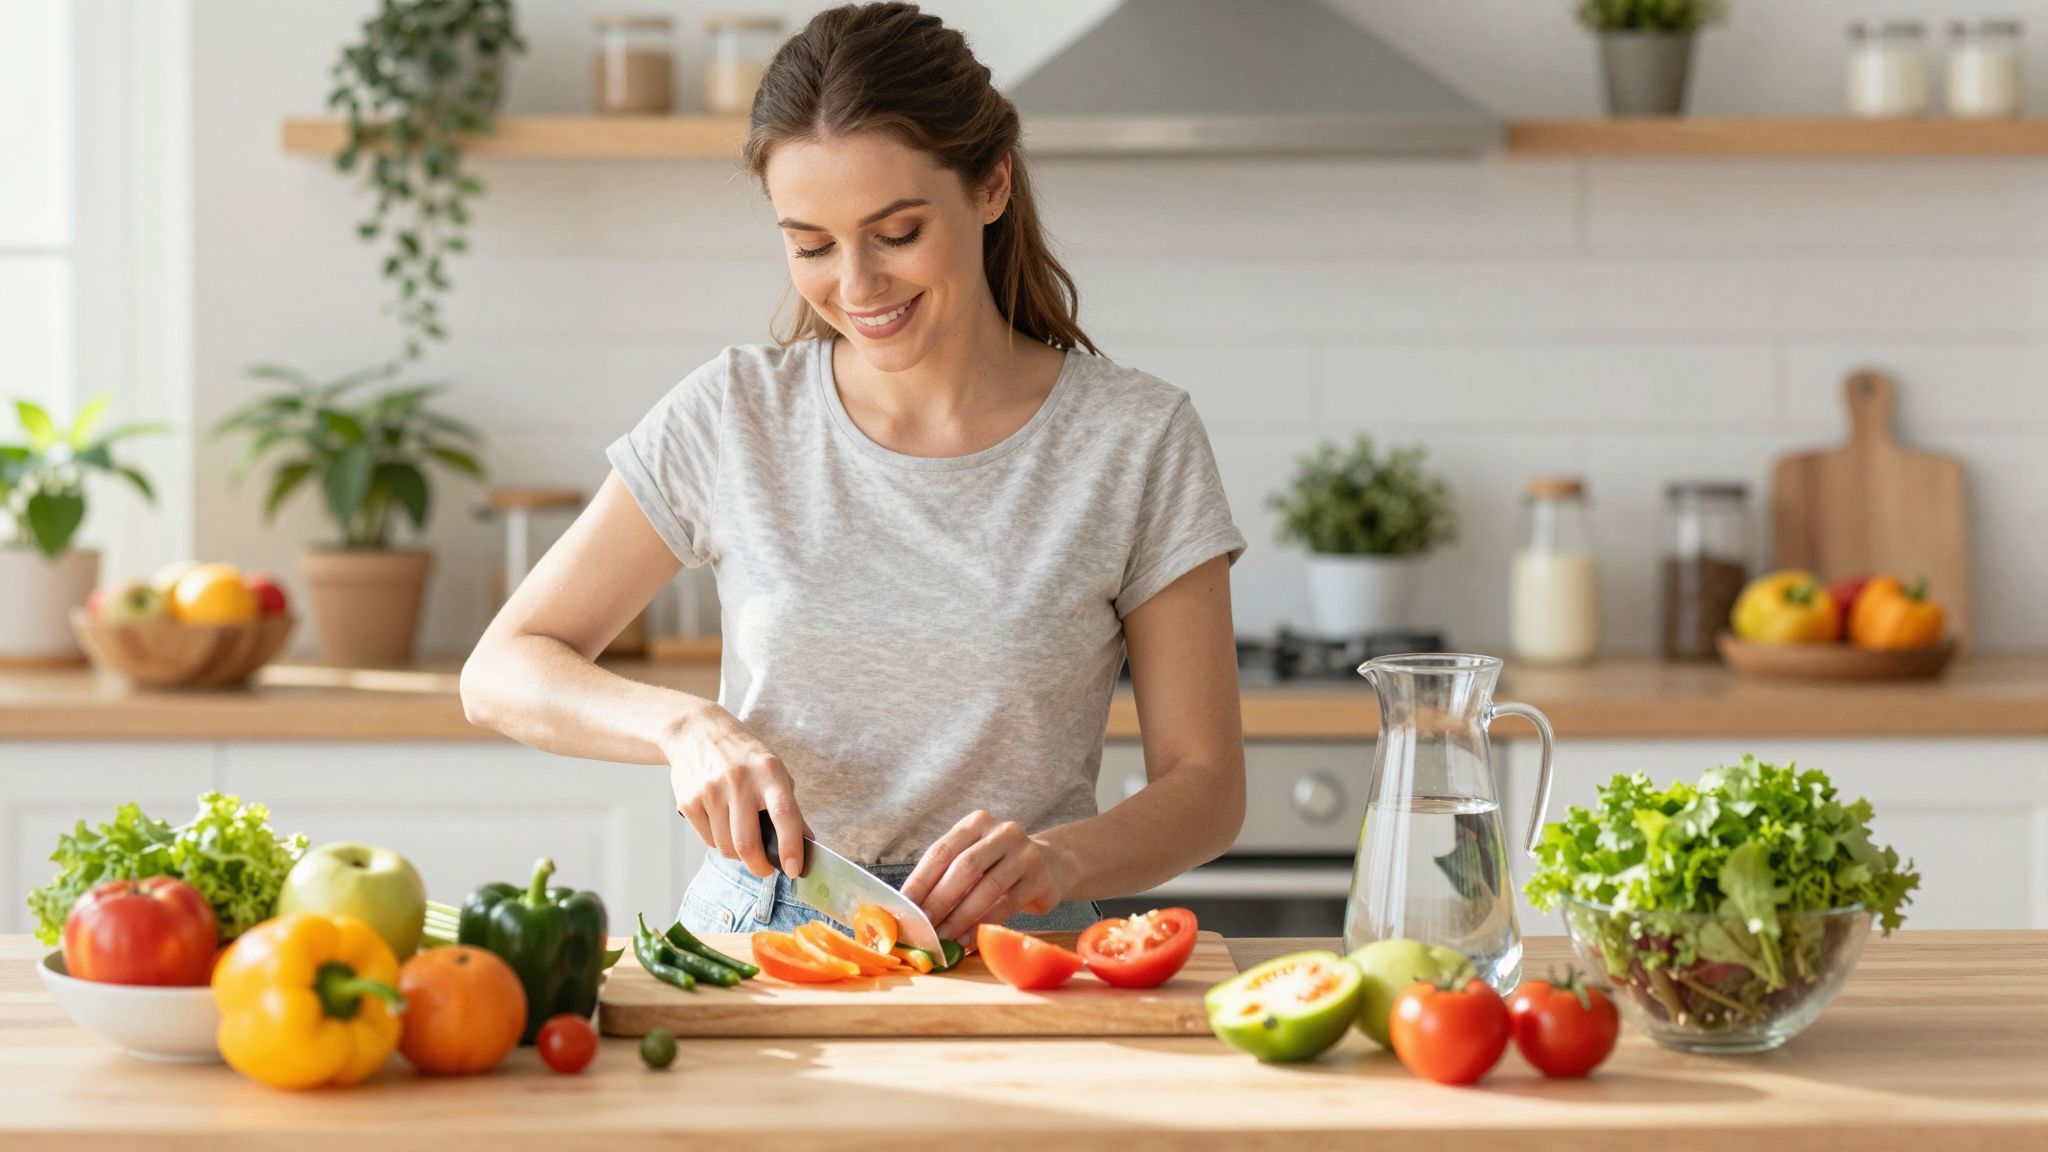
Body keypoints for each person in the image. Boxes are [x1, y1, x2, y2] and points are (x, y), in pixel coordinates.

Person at [460, 2, 1247, 943]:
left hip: (1018, 953)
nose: (858, 286)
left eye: (898, 233)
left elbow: (1206, 788)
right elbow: (502, 670)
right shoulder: (734, 414)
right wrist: (683, 729)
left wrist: (1060, 858)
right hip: (761, 941)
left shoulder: (1135, 438)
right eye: (811, 245)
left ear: (991, 185)